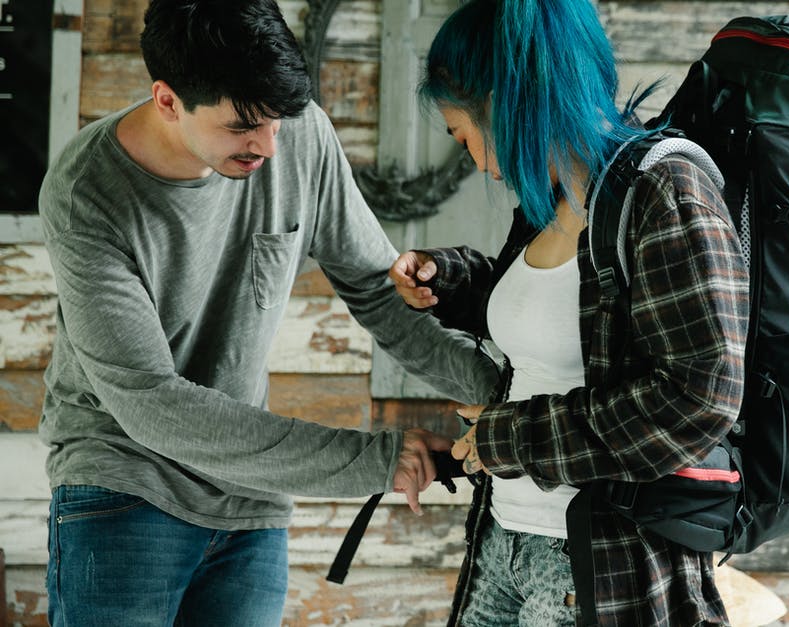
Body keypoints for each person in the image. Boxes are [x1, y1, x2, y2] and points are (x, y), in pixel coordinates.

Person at [37, 0, 497, 624]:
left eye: (280, 120)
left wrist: (511, 403)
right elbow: (150, 401)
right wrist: (376, 460)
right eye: (243, 127)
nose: (270, 147)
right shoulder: (86, 192)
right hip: (123, 489)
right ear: (168, 100)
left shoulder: (296, 134)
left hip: (250, 502)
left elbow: (378, 291)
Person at [388, 1, 750, 624]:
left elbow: (700, 397)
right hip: (502, 539)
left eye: (464, 134)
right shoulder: (550, 198)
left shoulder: (666, 190)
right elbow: (565, 324)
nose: (474, 160)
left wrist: (510, 436)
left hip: (600, 559)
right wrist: (446, 279)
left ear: (505, 101)